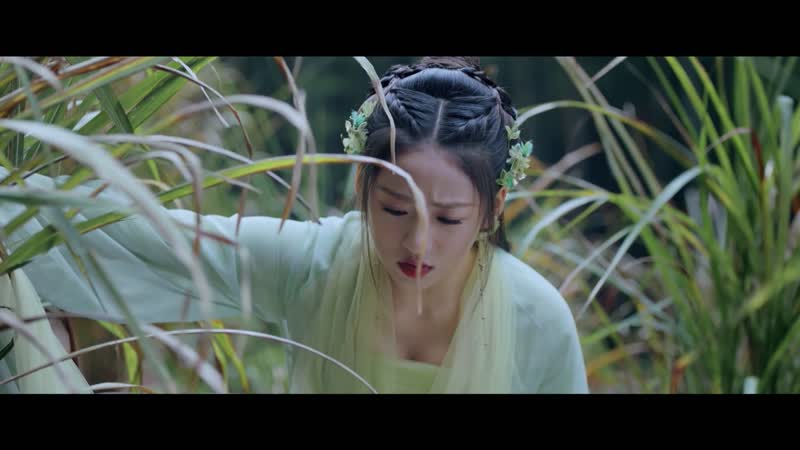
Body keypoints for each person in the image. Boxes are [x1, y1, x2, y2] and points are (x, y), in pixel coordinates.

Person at [0, 56, 588, 394]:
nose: (417, 241)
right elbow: (144, 240)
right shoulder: (314, 264)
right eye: (394, 208)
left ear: (494, 206)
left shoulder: (536, 320)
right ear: (361, 189)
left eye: (448, 218)